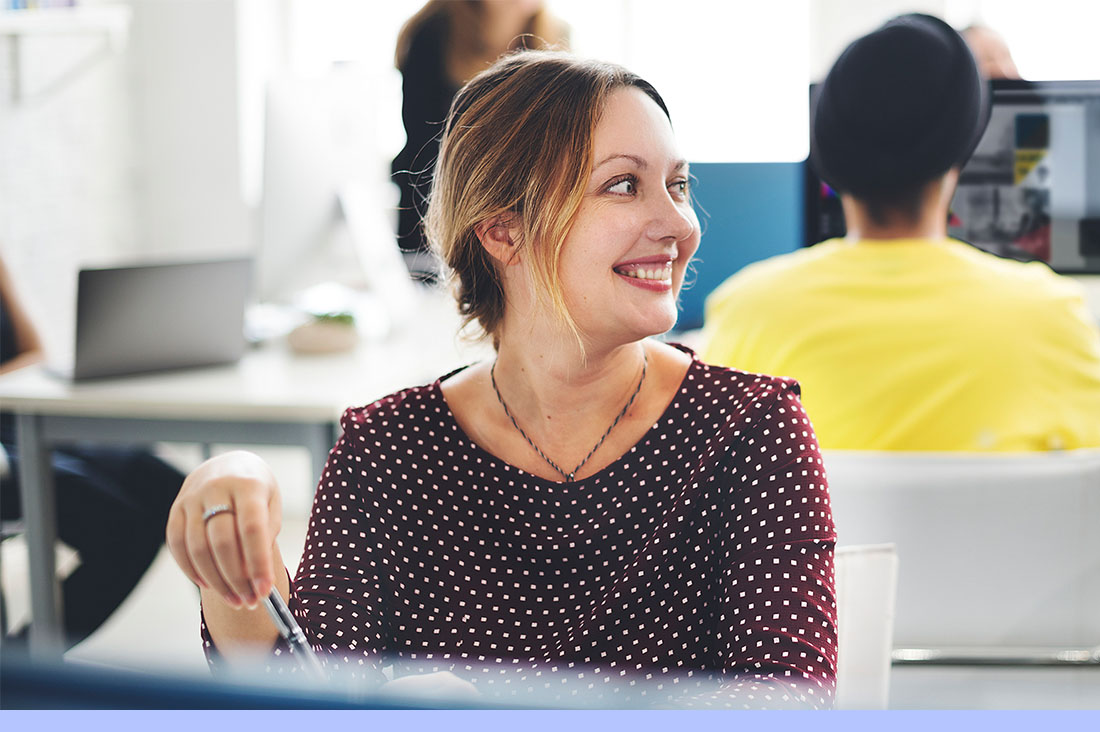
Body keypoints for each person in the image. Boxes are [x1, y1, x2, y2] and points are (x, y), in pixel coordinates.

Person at [168, 51, 837, 708]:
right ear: (502, 231)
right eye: (624, 184)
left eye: (678, 184)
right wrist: (224, 524)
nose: (678, 225)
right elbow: (308, 697)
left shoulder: (749, 428)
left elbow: (787, 701)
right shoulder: (387, 452)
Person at [702, 13, 1100, 625]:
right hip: (1013, 647)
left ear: (829, 157)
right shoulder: (1046, 311)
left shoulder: (749, 309)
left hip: (816, 649)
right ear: (964, 148)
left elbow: (710, 473)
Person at [0, 255, 184, 648]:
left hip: (19, 417)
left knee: (176, 491)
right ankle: (26, 664)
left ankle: (240, 658)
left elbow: (34, 354)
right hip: (7, 448)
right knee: (123, 528)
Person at [392, 0, 569, 267]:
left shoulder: (555, 37)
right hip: (436, 214)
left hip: (521, 223)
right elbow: (424, 146)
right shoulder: (432, 32)